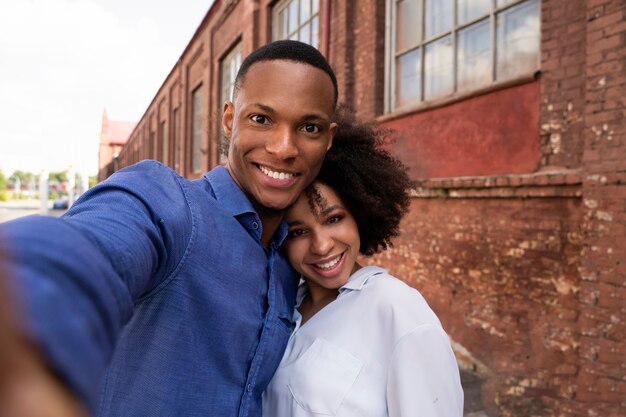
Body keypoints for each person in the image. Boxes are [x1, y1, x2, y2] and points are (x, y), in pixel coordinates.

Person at [0, 40, 337, 417]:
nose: (283, 148)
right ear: (230, 119)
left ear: (328, 139)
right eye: (261, 119)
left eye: (309, 127)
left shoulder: (291, 262)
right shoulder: (167, 204)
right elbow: (86, 249)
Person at [263, 108, 464, 416]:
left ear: (360, 214)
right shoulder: (286, 306)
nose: (322, 245)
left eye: (334, 218)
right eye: (299, 232)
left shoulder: (398, 310)